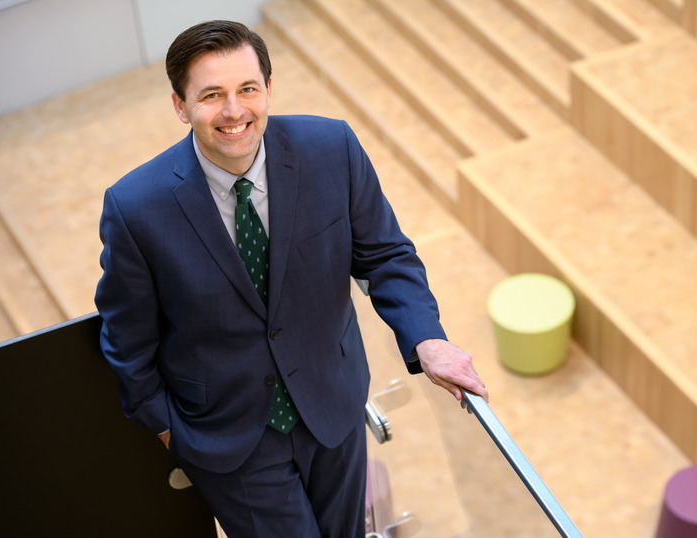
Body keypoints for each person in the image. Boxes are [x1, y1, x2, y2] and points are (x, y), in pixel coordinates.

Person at [95, 20, 488, 537]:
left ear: (268, 89)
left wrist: (428, 339)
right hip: (229, 439)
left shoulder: (332, 148)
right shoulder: (135, 208)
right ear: (179, 104)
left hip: (334, 409)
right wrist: (171, 432)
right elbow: (127, 340)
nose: (234, 111)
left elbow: (386, 256)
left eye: (247, 89)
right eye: (211, 95)